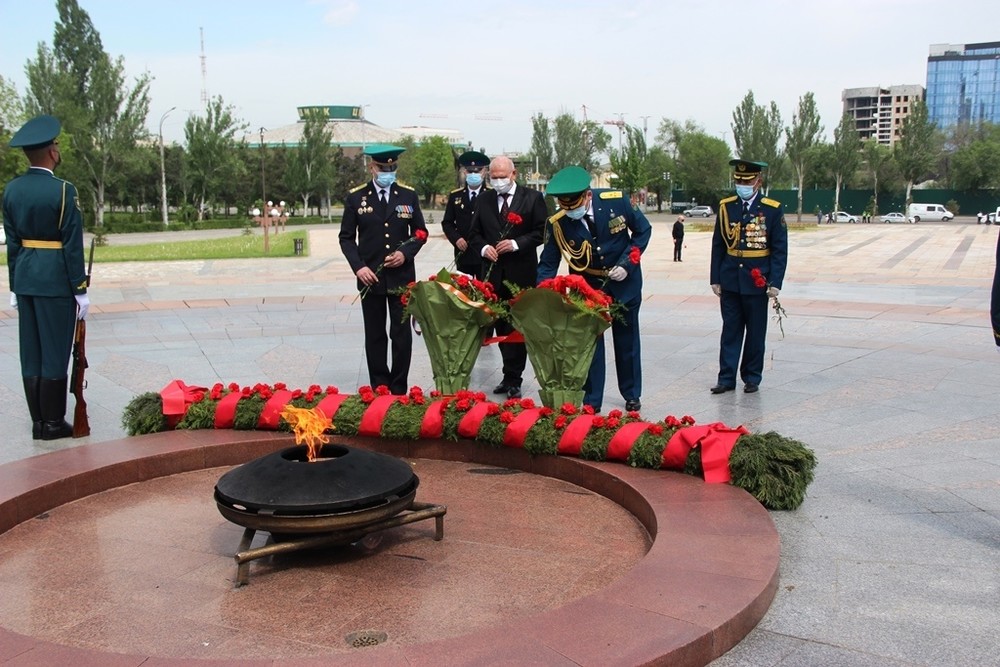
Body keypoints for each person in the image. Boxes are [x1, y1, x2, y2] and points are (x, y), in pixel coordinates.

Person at [538, 166, 652, 412]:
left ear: (588, 195)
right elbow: (548, 262)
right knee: (589, 343)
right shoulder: (557, 222)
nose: (571, 212)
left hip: (624, 282)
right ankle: (592, 399)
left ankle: (632, 393)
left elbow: (643, 231)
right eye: (565, 207)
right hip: (587, 285)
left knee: (627, 340)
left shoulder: (617, 200)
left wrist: (628, 264)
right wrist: (541, 294)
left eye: (575, 205)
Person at [3, 115, 89, 440]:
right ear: (52, 152)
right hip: (55, 282)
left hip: (26, 279)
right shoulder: (64, 191)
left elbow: (13, 244)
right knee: (54, 350)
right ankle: (53, 423)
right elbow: (72, 245)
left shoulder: (12, 190)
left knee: (32, 351)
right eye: (56, 145)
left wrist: (15, 285)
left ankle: (38, 421)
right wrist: (80, 288)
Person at [339, 144, 427, 395]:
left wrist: (404, 253)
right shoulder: (356, 198)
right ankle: (379, 386)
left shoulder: (408, 196)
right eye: (383, 168)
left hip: (401, 277)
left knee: (401, 334)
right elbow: (346, 238)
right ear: (372, 168)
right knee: (375, 334)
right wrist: (359, 268)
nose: (388, 173)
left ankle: (398, 388)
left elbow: (420, 233)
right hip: (371, 279)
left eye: (392, 168)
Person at [468, 155, 546, 399]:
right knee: (498, 326)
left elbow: (542, 232)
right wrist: (483, 249)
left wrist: (516, 243)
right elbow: (474, 234)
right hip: (492, 276)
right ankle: (506, 375)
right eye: (494, 177)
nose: (498, 181)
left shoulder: (532, 198)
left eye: (502, 176)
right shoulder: (484, 200)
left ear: (513, 175)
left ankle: (514, 378)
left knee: (516, 328)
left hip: (520, 275)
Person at [709, 159, 788, 394]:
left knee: (755, 332)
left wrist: (775, 282)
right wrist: (715, 278)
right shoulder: (726, 207)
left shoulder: (772, 208)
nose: (742, 185)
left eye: (747, 181)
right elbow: (718, 244)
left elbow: (779, 249)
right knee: (730, 330)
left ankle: (752, 377)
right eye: (739, 181)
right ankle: (726, 378)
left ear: (758, 182)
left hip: (757, 280)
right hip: (730, 278)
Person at [441, 150, 489, 277]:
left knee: (485, 287)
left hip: (484, 254)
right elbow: (447, 223)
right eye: (470, 171)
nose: (473, 174)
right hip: (463, 253)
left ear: (484, 171)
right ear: (464, 172)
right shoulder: (455, 196)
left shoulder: (491, 195)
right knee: (463, 288)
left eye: (477, 171)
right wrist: (456, 238)